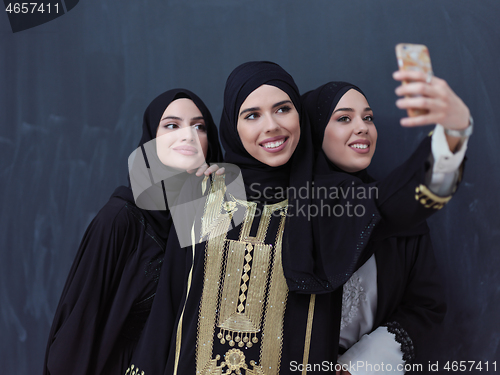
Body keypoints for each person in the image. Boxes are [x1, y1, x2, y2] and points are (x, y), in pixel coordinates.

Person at [125, 62, 467, 375]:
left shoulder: (328, 199)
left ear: (299, 117)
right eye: (252, 115)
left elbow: (402, 200)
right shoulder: (200, 193)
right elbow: (169, 306)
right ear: (233, 125)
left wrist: (452, 136)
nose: (271, 126)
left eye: (283, 109)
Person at [43, 89, 223, 375]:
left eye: (199, 126)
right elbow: (74, 337)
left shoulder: (212, 213)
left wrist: (216, 199)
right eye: (172, 125)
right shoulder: (119, 220)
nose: (188, 135)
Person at [302, 79, 469, 374]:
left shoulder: (392, 211)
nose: (363, 127)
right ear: (315, 131)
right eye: (343, 118)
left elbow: (425, 306)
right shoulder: (289, 209)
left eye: (368, 118)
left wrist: (357, 367)